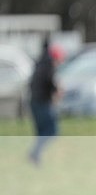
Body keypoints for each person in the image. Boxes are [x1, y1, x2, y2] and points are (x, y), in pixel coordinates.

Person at [28, 37, 61, 165]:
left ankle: (36, 157)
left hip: (34, 101)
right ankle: (35, 154)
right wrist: (56, 91)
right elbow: (50, 83)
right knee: (52, 131)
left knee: (42, 132)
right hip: (43, 102)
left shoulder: (38, 62)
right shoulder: (48, 64)